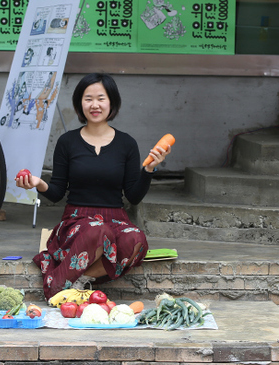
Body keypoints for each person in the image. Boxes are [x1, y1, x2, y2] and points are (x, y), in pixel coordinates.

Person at [15, 73, 171, 299]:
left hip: (116, 219)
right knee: (98, 230)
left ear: (112, 103)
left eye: (101, 98)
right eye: (88, 98)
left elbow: (133, 197)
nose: (95, 105)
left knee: (135, 238)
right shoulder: (67, 142)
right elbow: (57, 193)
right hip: (77, 221)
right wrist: (38, 183)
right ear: (80, 103)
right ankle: (57, 287)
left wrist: (148, 170)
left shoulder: (127, 144)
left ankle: (77, 279)